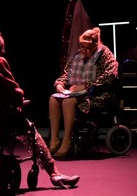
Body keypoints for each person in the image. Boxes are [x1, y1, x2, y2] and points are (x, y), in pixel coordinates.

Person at [0, 27, 80, 188]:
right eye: (1, 50)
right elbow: (17, 96)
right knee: (26, 129)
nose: (3, 53)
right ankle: (54, 173)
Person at [49, 27, 118, 158]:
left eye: (87, 48)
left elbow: (111, 75)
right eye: (82, 46)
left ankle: (67, 141)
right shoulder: (78, 55)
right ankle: (55, 139)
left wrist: (85, 86)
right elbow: (66, 74)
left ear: (95, 46)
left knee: (68, 102)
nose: (84, 50)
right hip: (79, 93)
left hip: (98, 94)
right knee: (54, 99)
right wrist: (59, 84)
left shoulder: (105, 54)